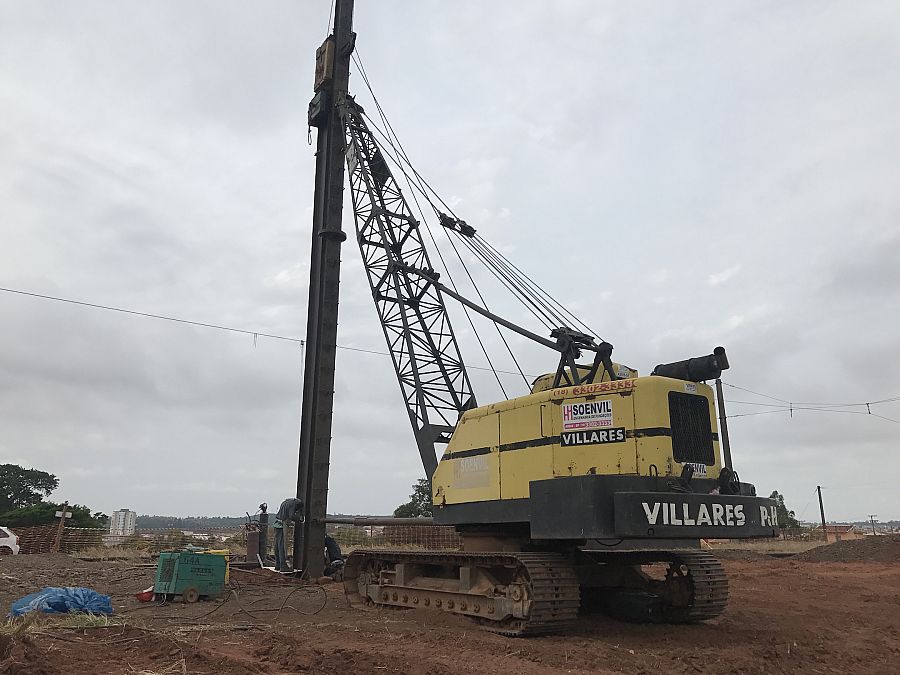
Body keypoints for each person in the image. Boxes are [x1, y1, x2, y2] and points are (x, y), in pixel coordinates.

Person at [274, 497, 304, 572]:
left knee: (277, 545)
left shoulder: (286, 502)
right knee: (282, 546)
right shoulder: (294, 504)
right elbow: (291, 516)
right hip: (282, 524)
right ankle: (283, 566)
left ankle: (277, 565)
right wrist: (299, 519)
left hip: (277, 523)